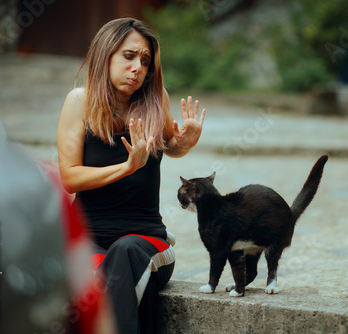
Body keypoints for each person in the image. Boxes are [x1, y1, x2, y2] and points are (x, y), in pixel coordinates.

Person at [57, 18, 206, 333]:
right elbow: (70, 177)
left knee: (124, 253)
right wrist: (126, 167)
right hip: (88, 240)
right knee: (97, 276)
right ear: (106, 53)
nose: (138, 67)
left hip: (146, 240)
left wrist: (185, 143)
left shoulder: (155, 99)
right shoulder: (79, 102)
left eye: (145, 61)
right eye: (129, 56)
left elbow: (170, 145)